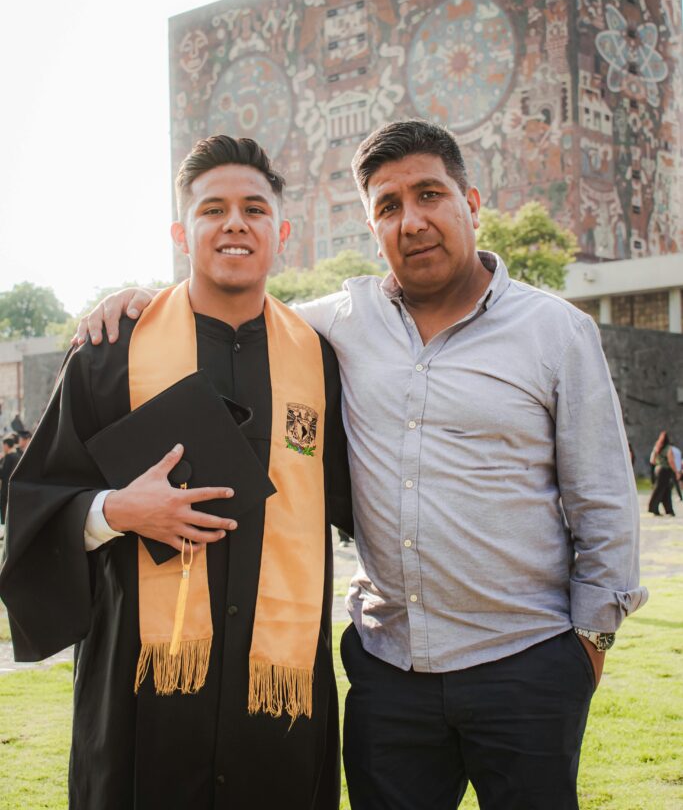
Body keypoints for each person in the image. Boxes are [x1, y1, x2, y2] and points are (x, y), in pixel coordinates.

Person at [76, 120, 646, 810]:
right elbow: (231, 302)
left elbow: (604, 501)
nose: (411, 221)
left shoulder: (556, 332)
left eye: (429, 194)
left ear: (470, 202)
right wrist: (137, 299)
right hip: (389, 672)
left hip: (523, 662)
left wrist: (584, 648)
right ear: (370, 226)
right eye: (387, 206)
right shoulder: (332, 327)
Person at [0, 136, 352, 810]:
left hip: (274, 695)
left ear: (280, 232)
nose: (233, 223)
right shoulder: (111, 353)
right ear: (179, 231)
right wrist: (115, 512)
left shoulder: (319, 360)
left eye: (253, 208)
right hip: (143, 693)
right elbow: (35, 497)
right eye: (211, 208)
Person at [648, 430, 679, 516]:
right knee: (659, 490)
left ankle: (669, 510)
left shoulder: (657, 447)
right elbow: (671, 461)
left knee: (666, 490)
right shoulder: (668, 448)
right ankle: (653, 508)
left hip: (658, 469)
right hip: (665, 470)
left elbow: (652, 460)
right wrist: (676, 471)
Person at [0, 433, 21, 525]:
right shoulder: (17, 455)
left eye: (3, 446)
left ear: (6, 445)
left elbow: (3, 474)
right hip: (15, 487)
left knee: (5, 511)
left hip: (6, 488)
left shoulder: (8, 457)